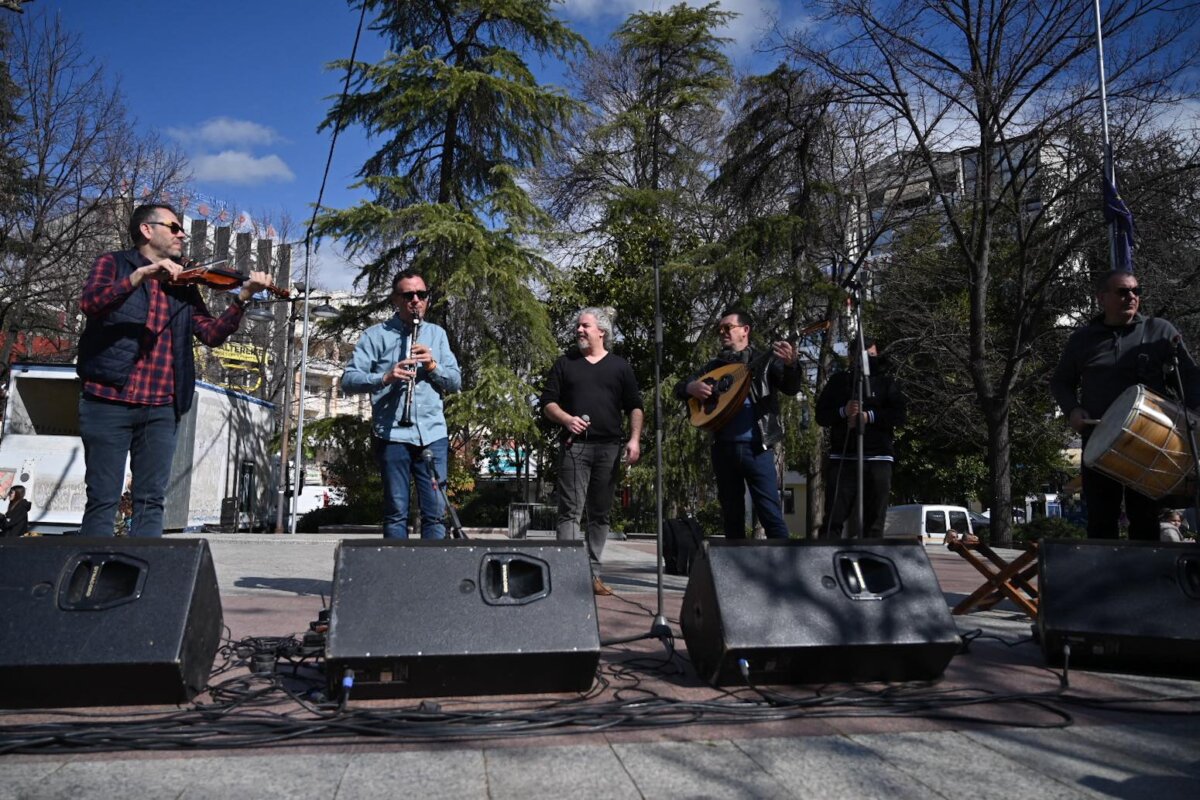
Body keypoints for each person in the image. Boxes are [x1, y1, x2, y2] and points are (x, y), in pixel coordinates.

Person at [76, 204, 270, 537]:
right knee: (102, 499)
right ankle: (92, 568)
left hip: (161, 407)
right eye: (174, 227)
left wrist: (242, 298)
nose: (182, 235)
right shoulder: (113, 263)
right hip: (108, 399)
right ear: (147, 230)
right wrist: (140, 276)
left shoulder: (184, 283)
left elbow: (210, 334)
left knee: (152, 501)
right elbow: (91, 303)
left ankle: (143, 570)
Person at [1050, 269, 1200, 540]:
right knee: (1101, 519)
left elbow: (1188, 377)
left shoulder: (1159, 331)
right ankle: (1103, 568)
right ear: (1102, 298)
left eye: (1135, 291)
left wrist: (1193, 414)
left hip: (1149, 441)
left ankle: (1143, 568)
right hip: (1099, 441)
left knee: (1144, 519)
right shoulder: (1083, 339)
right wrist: (1072, 409)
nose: (1131, 296)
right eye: (1122, 291)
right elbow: (1061, 382)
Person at [342, 270, 461, 539]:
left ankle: (433, 566)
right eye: (408, 295)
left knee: (436, 512)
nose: (416, 300)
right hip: (392, 433)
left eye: (422, 294)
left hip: (432, 434)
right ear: (395, 299)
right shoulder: (375, 336)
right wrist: (385, 377)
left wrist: (432, 366)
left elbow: (455, 381)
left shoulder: (437, 335)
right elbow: (348, 380)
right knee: (396, 510)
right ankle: (398, 567)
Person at [541, 307, 643, 595]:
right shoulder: (565, 363)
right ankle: (567, 574)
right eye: (578, 326)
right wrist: (566, 419)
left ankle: (593, 575)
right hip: (575, 447)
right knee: (569, 512)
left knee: (600, 514)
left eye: (585, 325)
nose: (579, 330)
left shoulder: (620, 367)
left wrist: (634, 439)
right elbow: (548, 402)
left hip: (609, 449)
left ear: (602, 331)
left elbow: (635, 406)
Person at [675, 309, 800, 539]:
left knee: (770, 515)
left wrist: (791, 365)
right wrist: (690, 387)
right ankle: (735, 562)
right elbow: (680, 387)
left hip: (758, 448)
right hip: (723, 448)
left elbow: (791, 388)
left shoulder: (766, 361)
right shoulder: (715, 366)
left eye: (727, 328)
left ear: (745, 330)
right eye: (720, 329)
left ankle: (784, 562)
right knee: (732, 517)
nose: (722, 333)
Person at [815, 339, 907, 538]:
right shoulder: (839, 382)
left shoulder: (886, 383)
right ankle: (827, 553)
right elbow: (821, 415)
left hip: (878, 458)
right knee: (833, 519)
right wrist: (843, 411)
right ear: (851, 357)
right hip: (844, 457)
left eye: (871, 356)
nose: (867, 361)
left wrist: (869, 416)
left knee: (874, 521)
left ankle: (871, 554)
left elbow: (899, 416)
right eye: (862, 357)